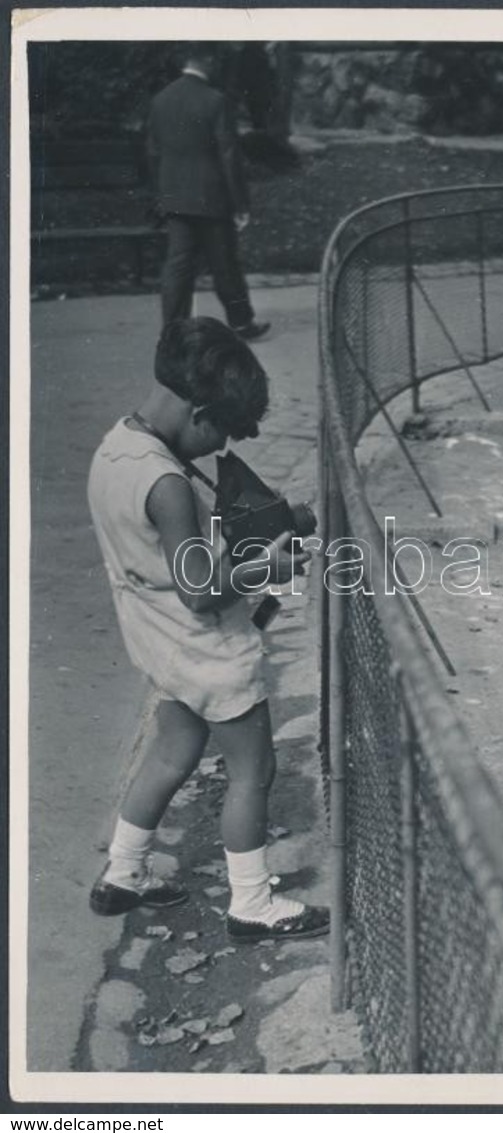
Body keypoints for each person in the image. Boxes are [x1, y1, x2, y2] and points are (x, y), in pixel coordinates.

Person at [87, 317, 328, 941]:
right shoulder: (166, 482)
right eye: (221, 429)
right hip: (207, 646)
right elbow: (199, 591)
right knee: (255, 770)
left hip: (158, 640)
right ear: (198, 411)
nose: (222, 447)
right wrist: (266, 568)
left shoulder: (118, 447)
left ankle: (122, 874)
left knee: (173, 750)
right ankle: (252, 904)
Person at [147, 44, 270, 341]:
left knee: (178, 265)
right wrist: (240, 203)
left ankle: (174, 331)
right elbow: (228, 154)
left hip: (174, 196)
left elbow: (151, 152)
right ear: (209, 60)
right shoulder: (216, 100)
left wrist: (161, 194)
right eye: (216, 61)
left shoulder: (161, 99)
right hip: (211, 196)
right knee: (225, 263)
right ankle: (241, 323)